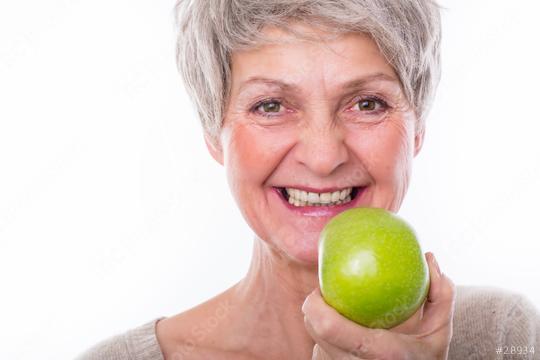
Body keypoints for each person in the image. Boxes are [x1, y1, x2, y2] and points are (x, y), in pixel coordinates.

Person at [76, 0, 540, 359]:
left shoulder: (502, 337)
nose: (323, 158)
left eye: (367, 103)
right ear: (213, 134)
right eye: (271, 106)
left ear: (417, 126)